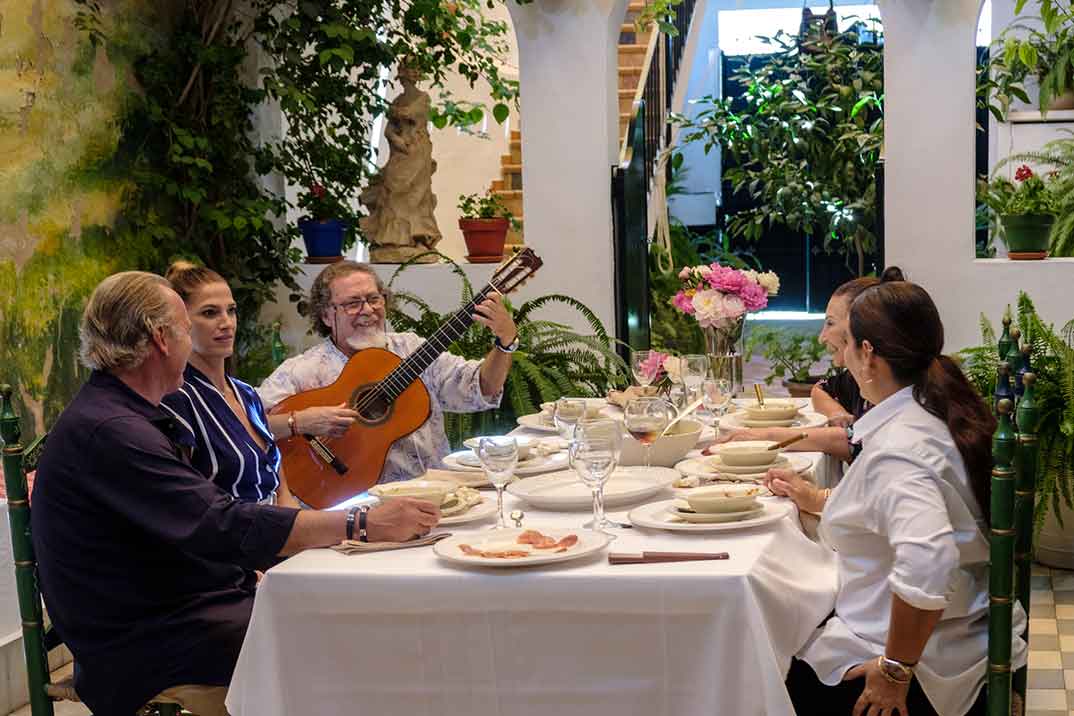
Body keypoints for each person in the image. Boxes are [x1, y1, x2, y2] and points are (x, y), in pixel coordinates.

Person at [31, 271, 439, 716]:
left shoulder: (124, 411)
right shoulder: (113, 430)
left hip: (184, 603)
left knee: (344, 610)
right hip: (143, 639)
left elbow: (210, 519)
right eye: (190, 327)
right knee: (341, 629)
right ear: (160, 339)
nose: (199, 339)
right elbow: (218, 522)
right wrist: (362, 523)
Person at [767, 281, 1025, 716]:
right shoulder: (930, 408)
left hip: (930, 664)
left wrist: (894, 672)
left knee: (763, 660)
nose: (840, 352)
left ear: (867, 353)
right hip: (956, 630)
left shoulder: (900, 449)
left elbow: (929, 561)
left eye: (845, 341)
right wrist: (821, 500)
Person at [258, 260, 517, 484]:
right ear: (326, 315)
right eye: (352, 303)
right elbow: (244, 424)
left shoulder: (412, 349)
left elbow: (481, 388)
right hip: (355, 506)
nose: (368, 310)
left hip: (438, 493)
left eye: (373, 299)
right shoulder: (302, 371)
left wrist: (505, 343)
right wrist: (298, 422)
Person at [710, 266, 906, 464]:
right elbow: (822, 389)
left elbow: (855, 443)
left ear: (859, 328)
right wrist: (836, 412)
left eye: (830, 323)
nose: (821, 337)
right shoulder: (867, 377)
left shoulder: (891, 390)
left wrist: (765, 436)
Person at [160, 261, 298, 507]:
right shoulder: (177, 399)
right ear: (180, 322)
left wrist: (297, 525)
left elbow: (277, 476)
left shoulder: (246, 393)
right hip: (227, 537)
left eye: (231, 310)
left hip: (277, 530)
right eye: (210, 313)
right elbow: (181, 503)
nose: (227, 323)